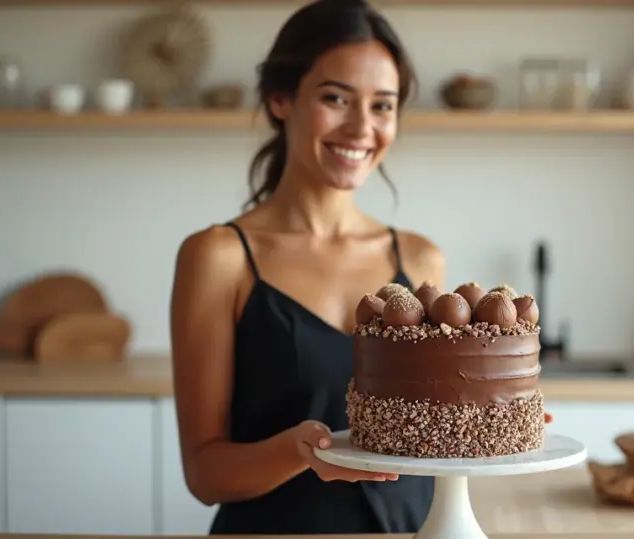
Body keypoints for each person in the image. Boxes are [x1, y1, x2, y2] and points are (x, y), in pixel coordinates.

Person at [168, 0, 439, 534]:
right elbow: (204, 472)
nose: (362, 127)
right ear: (280, 99)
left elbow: (431, 432)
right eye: (336, 98)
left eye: (382, 106)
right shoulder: (218, 257)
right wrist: (297, 451)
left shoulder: (421, 259)